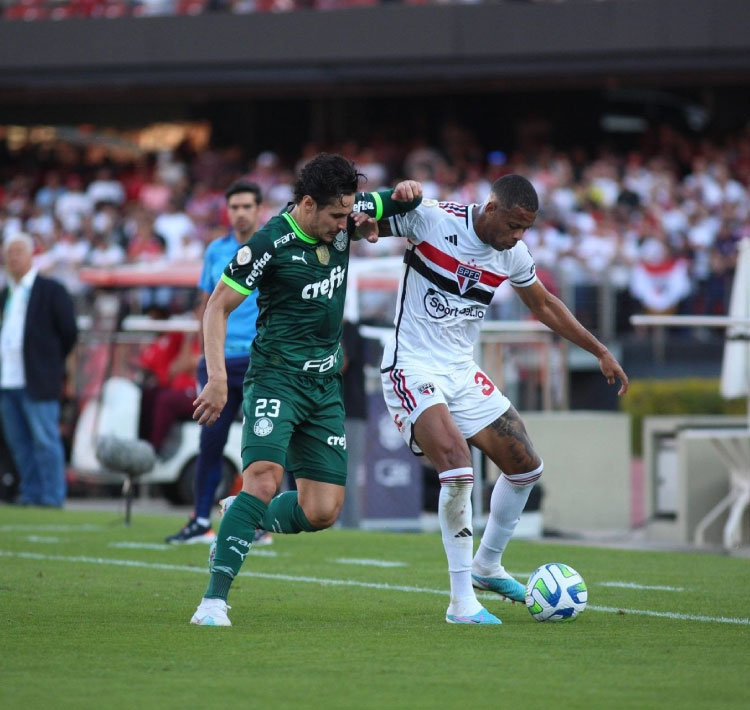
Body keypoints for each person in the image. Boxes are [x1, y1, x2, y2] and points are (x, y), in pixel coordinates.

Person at [376, 176, 629, 624]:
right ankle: (460, 603)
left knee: (526, 466)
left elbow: (545, 305)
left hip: (461, 371)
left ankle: (487, 566)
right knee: (456, 466)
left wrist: (599, 350)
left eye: (525, 229)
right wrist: (387, 202)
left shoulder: (512, 253)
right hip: (411, 364)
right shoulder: (433, 219)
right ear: (491, 207)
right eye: (513, 225)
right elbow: (365, 223)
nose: (518, 237)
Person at [189, 153, 421, 626]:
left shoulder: (343, 217)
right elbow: (216, 307)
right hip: (276, 378)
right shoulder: (268, 244)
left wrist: (409, 191)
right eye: (337, 216)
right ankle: (212, 602)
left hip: (324, 385)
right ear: (309, 204)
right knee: (264, 477)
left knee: (322, 510)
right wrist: (216, 378)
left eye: (348, 215)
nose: (345, 225)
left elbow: (395, 206)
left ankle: (244, 516)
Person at [166, 180, 266, 544]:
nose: (239, 213)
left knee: (261, 444)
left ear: (259, 209)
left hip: (260, 360)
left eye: (246, 206)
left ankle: (259, 524)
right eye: (234, 207)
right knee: (210, 442)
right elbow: (206, 306)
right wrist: (198, 356)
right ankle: (199, 521)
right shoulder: (215, 251)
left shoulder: (270, 246)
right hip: (218, 362)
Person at [0, 232, 78, 507]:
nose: (13, 257)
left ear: (32, 254)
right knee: (19, 443)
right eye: (9, 251)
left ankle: (53, 496)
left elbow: (69, 331)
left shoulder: (51, 290)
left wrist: (51, 362)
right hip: (8, 380)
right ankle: (31, 493)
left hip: (39, 378)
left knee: (45, 439)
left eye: (18, 251)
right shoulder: (5, 294)